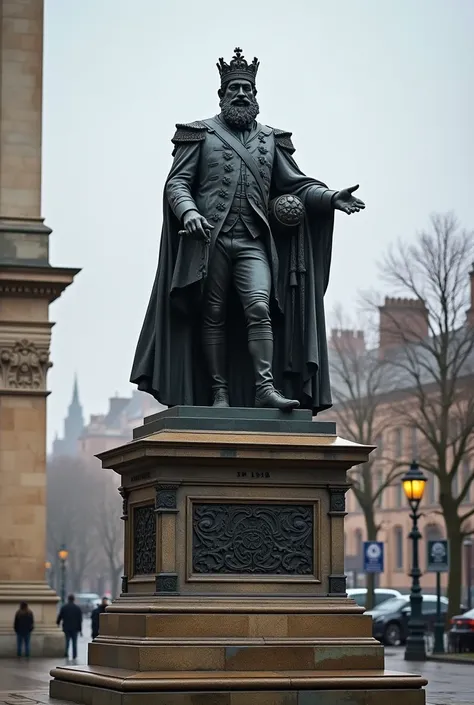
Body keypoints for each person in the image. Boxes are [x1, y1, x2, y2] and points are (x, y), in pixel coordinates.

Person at [131, 47, 365, 413]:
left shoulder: (271, 140)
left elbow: (296, 185)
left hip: (254, 241)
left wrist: (330, 196)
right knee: (213, 314)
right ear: (222, 95)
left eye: (248, 89)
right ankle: (219, 392)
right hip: (210, 241)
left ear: (256, 97)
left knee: (259, 306)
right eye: (234, 88)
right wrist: (189, 212)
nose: (242, 94)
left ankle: (264, 388)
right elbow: (177, 184)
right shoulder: (198, 134)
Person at [56, 593, 83, 662]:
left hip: (66, 628)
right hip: (75, 628)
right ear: (74, 599)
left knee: (67, 641)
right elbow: (80, 620)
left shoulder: (64, 607)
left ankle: (66, 653)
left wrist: (58, 623)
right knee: (74, 642)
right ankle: (74, 655)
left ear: (68, 599)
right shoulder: (77, 608)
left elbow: (60, 616)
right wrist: (80, 630)